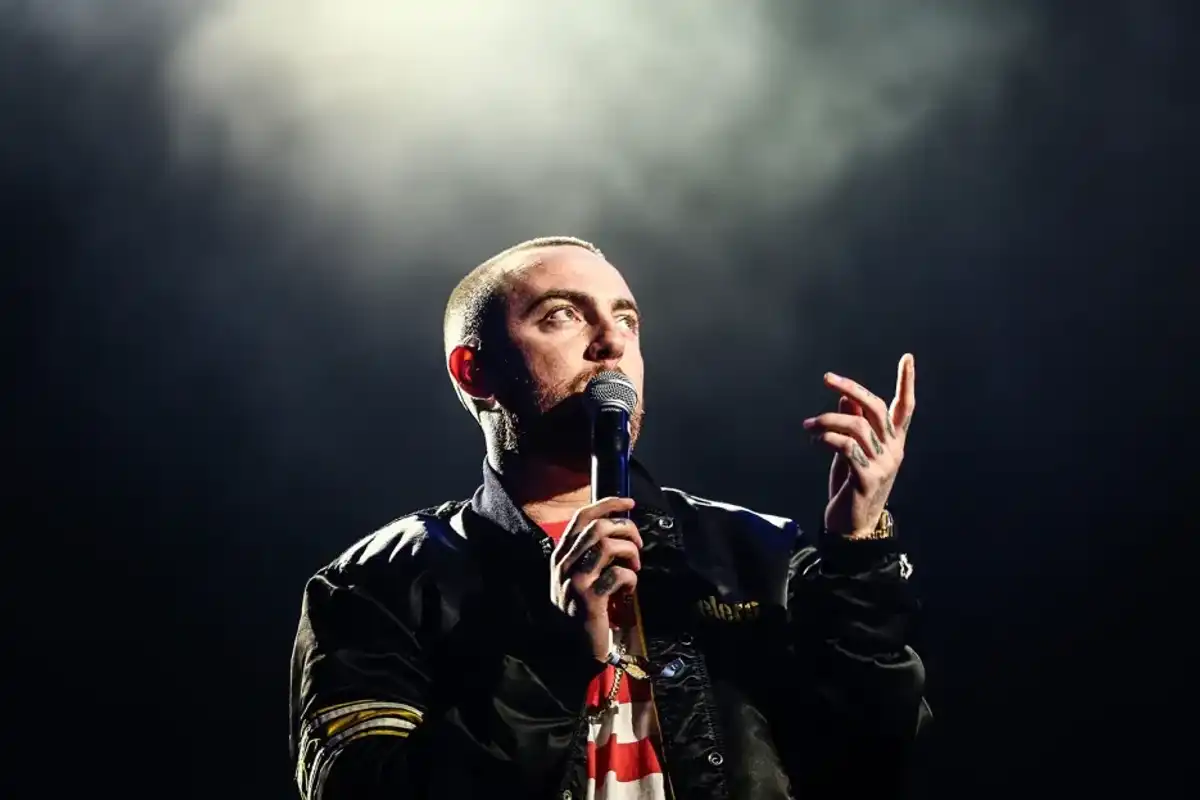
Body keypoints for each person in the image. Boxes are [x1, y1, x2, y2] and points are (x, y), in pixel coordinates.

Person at [289, 236, 931, 800]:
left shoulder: (755, 553)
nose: (612, 340)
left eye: (628, 319)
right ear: (475, 371)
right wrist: (559, 656)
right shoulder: (376, 587)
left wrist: (855, 553)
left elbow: (872, 760)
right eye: (562, 315)